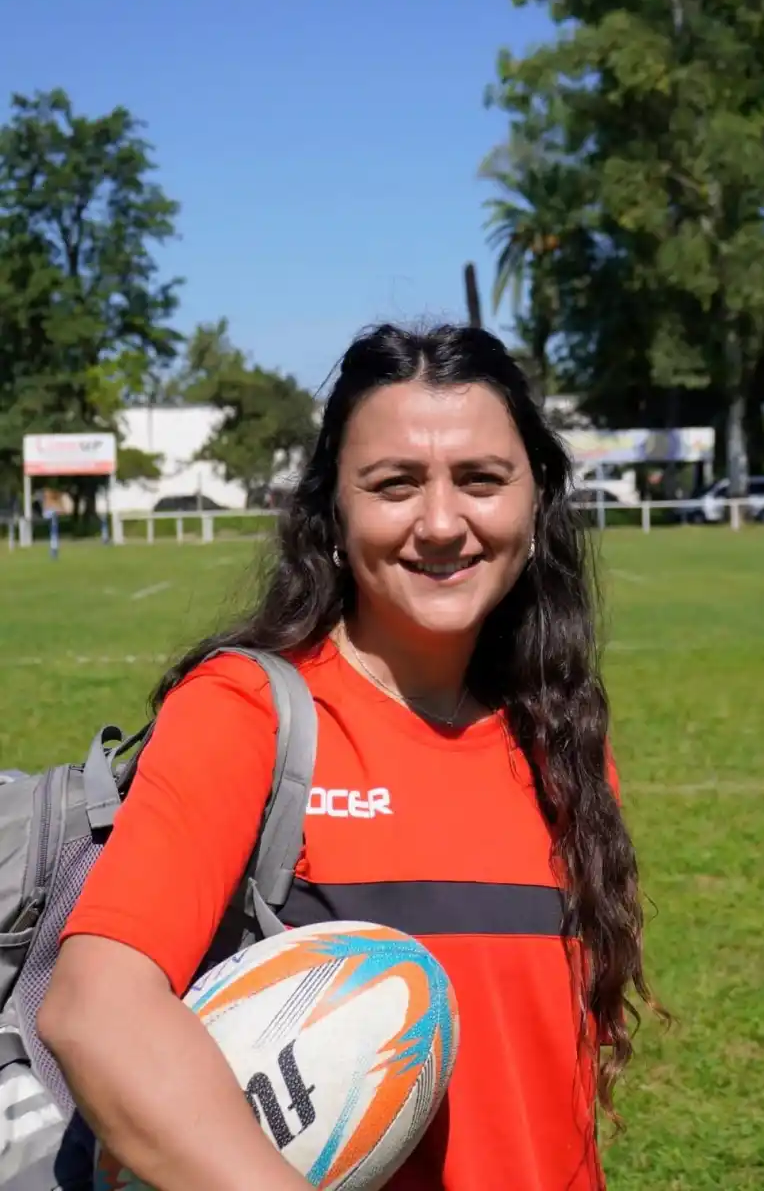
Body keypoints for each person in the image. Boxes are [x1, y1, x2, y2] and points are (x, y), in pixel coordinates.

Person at [39, 324, 657, 1191]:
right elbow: (96, 1011)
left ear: (537, 500)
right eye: (394, 484)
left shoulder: (559, 736)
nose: (441, 523)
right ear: (334, 509)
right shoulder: (246, 712)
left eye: (482, 479)